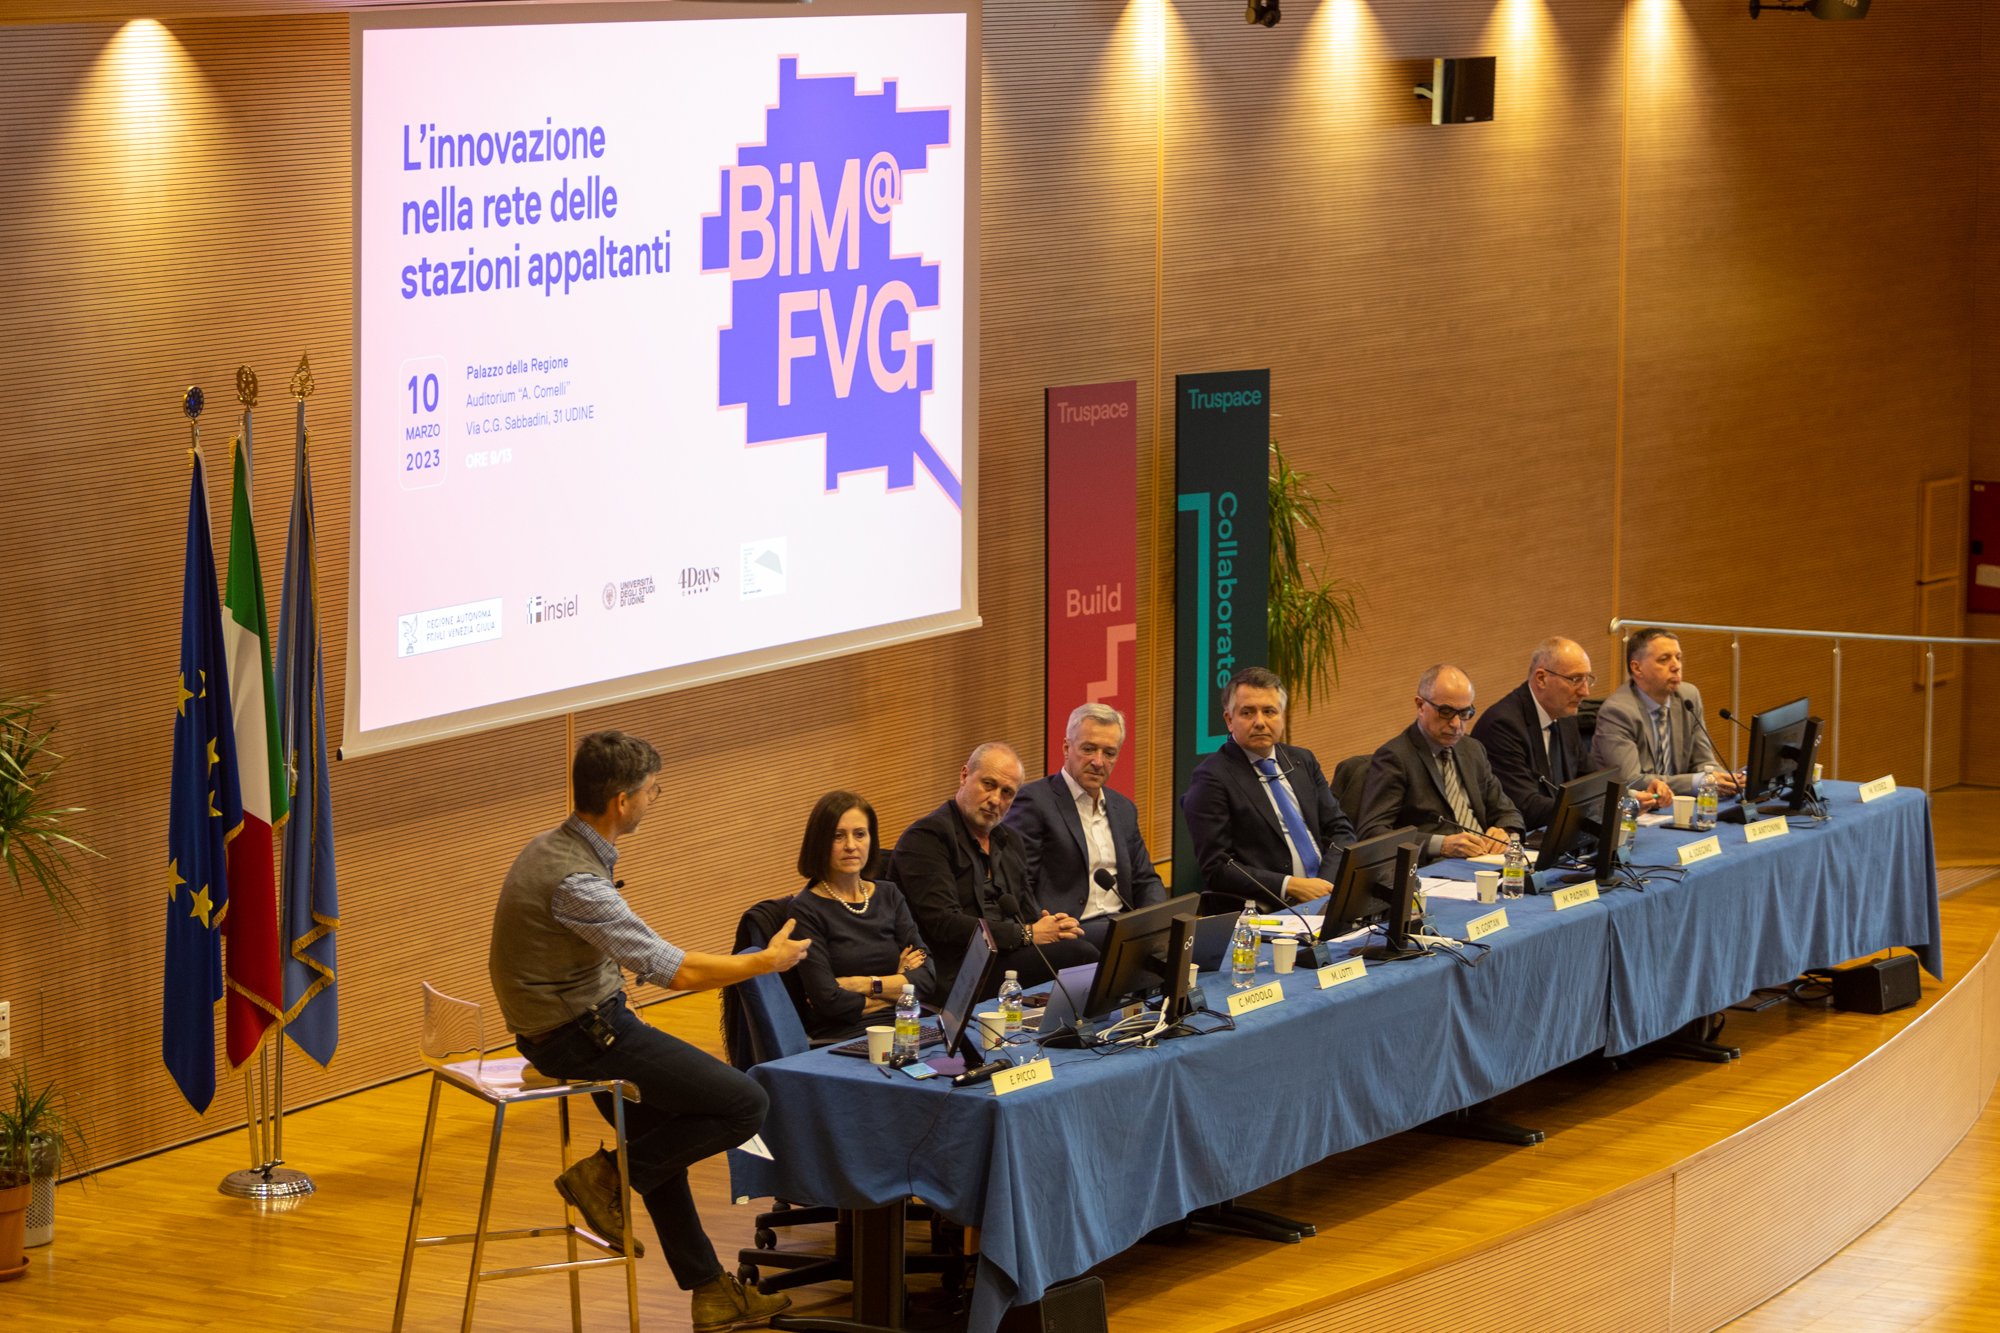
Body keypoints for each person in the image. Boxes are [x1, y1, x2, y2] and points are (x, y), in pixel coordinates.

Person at [489, 730, 807, 1333]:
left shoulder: (551, 846)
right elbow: (676, 970)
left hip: (566, 1025)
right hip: (581, 1034)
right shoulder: (576, 882)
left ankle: (711, 1291)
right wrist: (763, 963)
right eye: (652, 791)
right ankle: (608, 1176)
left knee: (661, 1142)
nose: (657, 799)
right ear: (621, 802)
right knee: (746, 1103)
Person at [885, 742, 1093, 993]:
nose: (995, 799)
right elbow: (945, 924)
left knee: (1093, 938)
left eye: (1007, 792)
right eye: (988, 785)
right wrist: (1026, 934)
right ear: (964, 775)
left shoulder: (1008, 840)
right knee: (1080, 955)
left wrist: (1050, 925)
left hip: (1008, 955)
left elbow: (1026, 910)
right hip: (957, 969)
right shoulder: (926, 838)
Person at [1181, 666, 1356, 905]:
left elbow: (1340, 829)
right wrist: (1290, 885)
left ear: (1282, 716)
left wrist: (1325, 886)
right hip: (1271, 908)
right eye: (1247, 713)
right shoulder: (1211, 778)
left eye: (1269, 711)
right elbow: (1218, 867)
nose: (1260, 722)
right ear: (1229, 720)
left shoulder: (1302, 760)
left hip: (1326, 894)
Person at [1002, 703, 1168, 948]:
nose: (1098, 762)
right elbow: (1018, 881)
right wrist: (1041, 925)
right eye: (1089, 749)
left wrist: (1154, 921)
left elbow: (1145, 879)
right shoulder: (1035, 802)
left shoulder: (1123, 808)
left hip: (1120, 924)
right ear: (1067, 748)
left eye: (1109, 753)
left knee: (1184, 938)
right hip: (1069, 931)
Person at [782, 790, 936, 1041]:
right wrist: (898, 983)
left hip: (908, 1024)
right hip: (847, 1035)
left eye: (860, 834)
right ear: (819, 842)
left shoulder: (889, 894)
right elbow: (828, 1001)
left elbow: (927, 979)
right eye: (838, 836)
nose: (851, 846)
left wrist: (861, 984)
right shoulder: (805, 910)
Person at [1358, 664, 1524, 862]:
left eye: (1465, 713)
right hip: (1437, 869)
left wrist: (1505, 832)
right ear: (1420, 705)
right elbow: (1372, 834)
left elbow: (1508, 811)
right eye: (1446, 712)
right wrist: (1441, 845)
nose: (1456, 724)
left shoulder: (1472, 749)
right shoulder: (1396, 758)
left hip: (1486, 860)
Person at [1590, 627, 1742, 804]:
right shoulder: (1618, 711)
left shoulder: (1688, 697)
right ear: (1637, 668)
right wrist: (1697, 781)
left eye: (1678, 658)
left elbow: (1703, 762)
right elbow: (1630, 780)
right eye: (1664, 659)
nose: (1676, 666)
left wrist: (1725, 779)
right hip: (1637, 813)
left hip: (1678, 807)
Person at [1470, 637, 1601, 831]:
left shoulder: (1564, 715)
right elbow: (1524, 805)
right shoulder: (1502, 726)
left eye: (1587, 679)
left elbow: (1590, 778)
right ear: (1541, 678)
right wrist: (1588, 811)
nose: (1585, 691)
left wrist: (1625, 796)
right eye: (1575, 679)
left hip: (1557, 831)